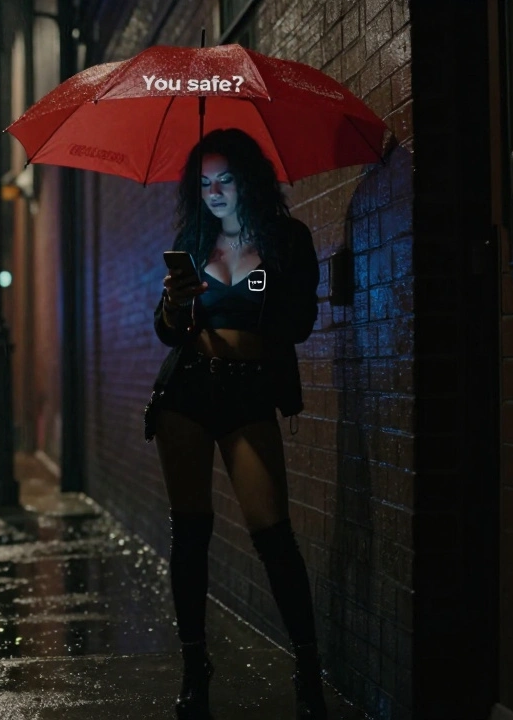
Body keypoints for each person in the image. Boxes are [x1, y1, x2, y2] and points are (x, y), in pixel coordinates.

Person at [143, 128, 325, 720]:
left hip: (250, 393)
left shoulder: (286, 241)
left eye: (224, 179)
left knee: (273, 534)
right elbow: (168, 329)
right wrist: (175, 306)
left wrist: (262, 291)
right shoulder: (191, 242)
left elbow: (298, 323)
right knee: (190, 532)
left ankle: (308, 671)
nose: (214, 192)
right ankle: (195, 670)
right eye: (203, 183)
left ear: (247, 180)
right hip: (188, 389)